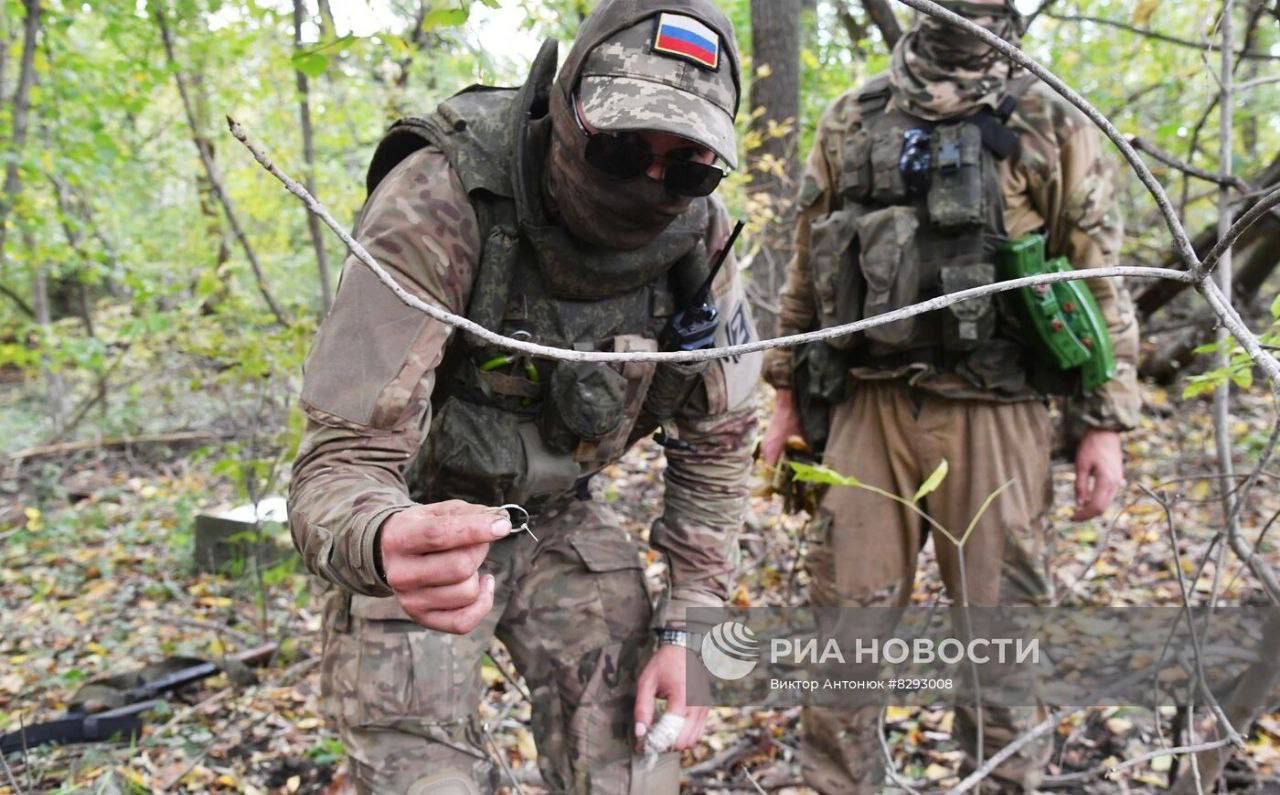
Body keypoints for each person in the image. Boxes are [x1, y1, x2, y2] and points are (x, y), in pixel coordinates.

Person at [286, 1, 761, 792]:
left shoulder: (702, 244)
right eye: (620, 148)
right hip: (421, 518)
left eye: (686, 168)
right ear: (566, 112)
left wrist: (693, 624)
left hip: (556, 516)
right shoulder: (440, 199)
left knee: (639, 762)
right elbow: (338, 461)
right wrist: (382, 536)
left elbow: (722, 439)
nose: (650, 184)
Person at [759, 1, 1141, 790]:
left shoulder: (1048, 119)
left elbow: (1098, 272)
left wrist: (1104, 422)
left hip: (998, 412)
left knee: (1000, 640)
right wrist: (786, 394)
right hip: (870, 408)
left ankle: (1004, 779)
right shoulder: (853, 115)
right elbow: (807, 261)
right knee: (845, 633)